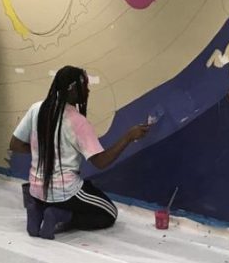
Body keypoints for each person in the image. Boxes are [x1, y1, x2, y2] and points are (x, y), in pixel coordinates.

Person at [8, 66, 150, 239]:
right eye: (85, 86)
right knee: (109, 212)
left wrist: (43, 149)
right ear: (73, 89)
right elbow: (100, 162)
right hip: (64, 191)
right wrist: (128, 137)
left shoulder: (36, 109)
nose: (88, 90)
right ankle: (60, 215)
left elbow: (15, 144)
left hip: (36, 188)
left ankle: (37, 208)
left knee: (78, 192)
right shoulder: (77, 122)